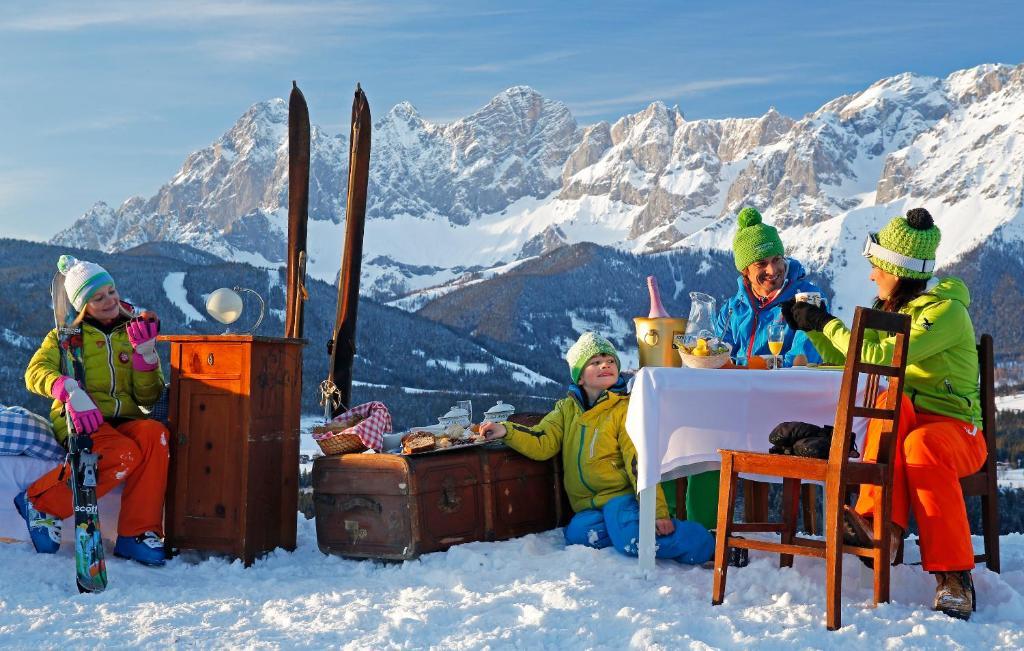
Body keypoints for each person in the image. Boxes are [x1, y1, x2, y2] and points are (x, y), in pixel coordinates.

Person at [782, 208, 985, 620]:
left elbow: (879, 357)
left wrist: (829, 321)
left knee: (919, 441)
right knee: (895, 404)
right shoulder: (891, 311)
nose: (872, 275)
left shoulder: (944, 313)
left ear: (898, 269)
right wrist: (814, 328)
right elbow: (852, 361)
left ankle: (954, 578)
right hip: (908, 426)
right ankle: (879, 526)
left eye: (877, 266)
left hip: (957, 433)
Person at [479, 331, 714, 564]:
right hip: (588, 505)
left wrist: (657, 511)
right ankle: (624, 527)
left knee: (631, 540)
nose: (606, 365)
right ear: (579, 376)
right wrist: (506, 431)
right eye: (596, 362)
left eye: (611, 360)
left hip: (620, 497)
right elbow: (543, 441)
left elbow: (638, 461)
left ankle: (705, 544)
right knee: (578, 534)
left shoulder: (623, 410)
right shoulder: (566, 410)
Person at [14, 255, 170, 566]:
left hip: (125, 418)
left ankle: (136, 533)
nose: (110, 300)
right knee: (123, 453)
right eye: (98, 297)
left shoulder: (134, 333)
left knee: (157, 435)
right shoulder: (65, 338)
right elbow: (34, 373)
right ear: (82, 305)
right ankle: (41, 502)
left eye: (111, 291)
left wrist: (146, 355)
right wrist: (69, 390)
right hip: (80, 418)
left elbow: (149, 396)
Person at [682, 207, 829, 531]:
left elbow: (804, 359)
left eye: (777, 259)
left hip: (785, 412)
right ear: (745, 270)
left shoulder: (806, 300)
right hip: (736, 406)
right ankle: (700, 532)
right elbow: (715, 353)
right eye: (761, 264)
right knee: (692, 434)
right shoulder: (734, 306)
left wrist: (749, 364)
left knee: (710, 435)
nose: (772, 269)